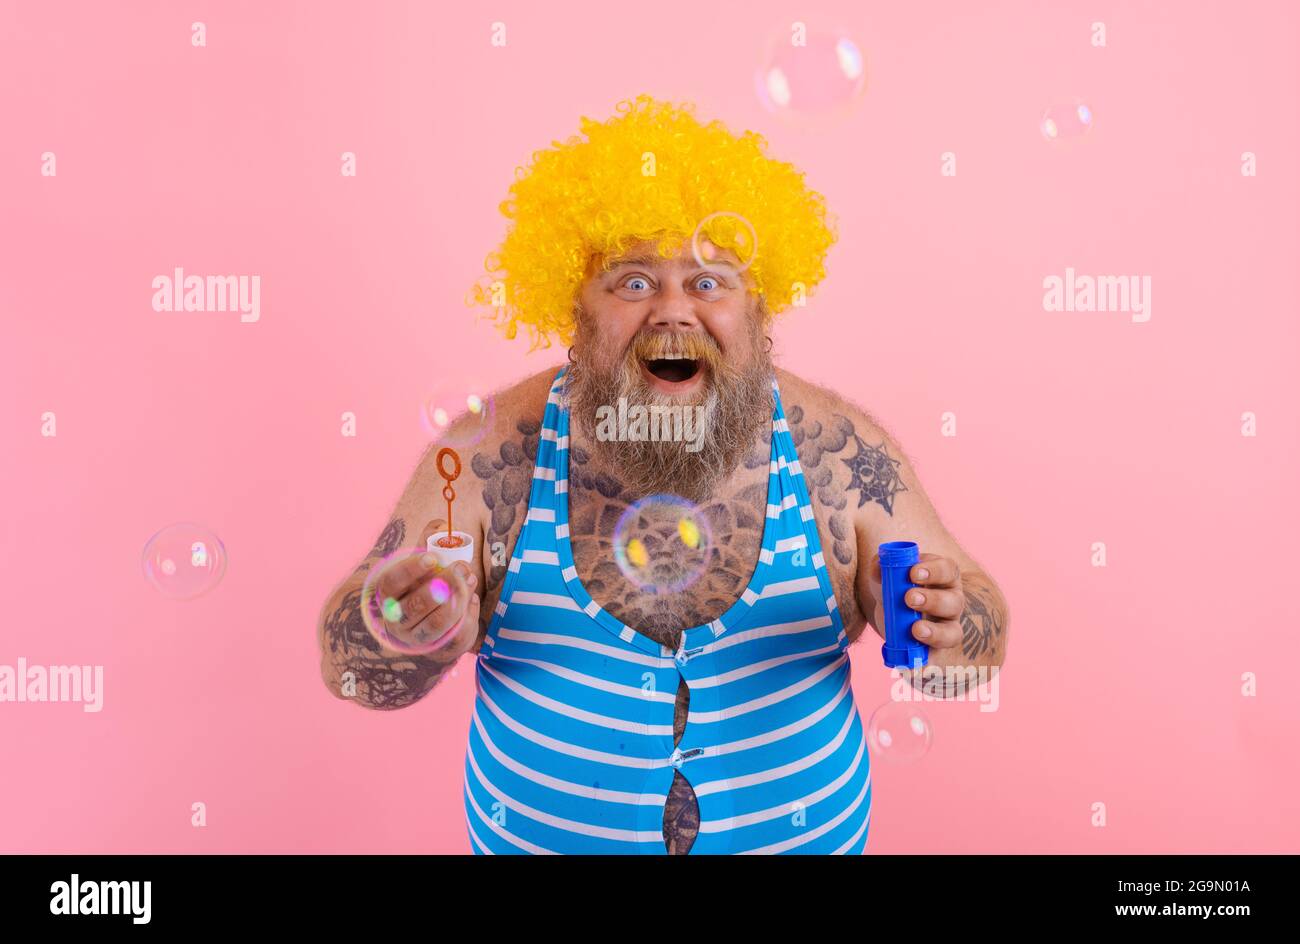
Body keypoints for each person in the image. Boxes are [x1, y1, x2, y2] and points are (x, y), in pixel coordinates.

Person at [317, 95, 1010, 854]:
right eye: (634, 282)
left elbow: (968, 664)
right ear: (571, 308)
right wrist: (396, 637)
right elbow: (354, 673)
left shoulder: (838, 454)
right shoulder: (491, 460)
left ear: (760, 309)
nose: (673, 312)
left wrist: (947, 632)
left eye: (710, 282)